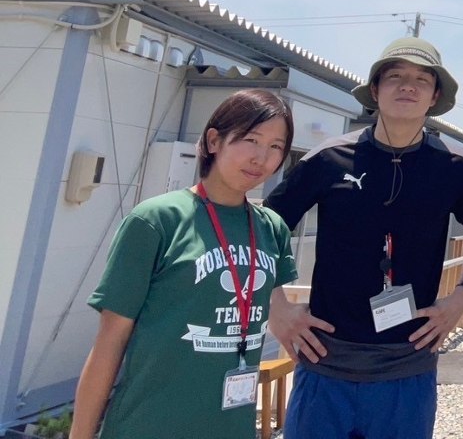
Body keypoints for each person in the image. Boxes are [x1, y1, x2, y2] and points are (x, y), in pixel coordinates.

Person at [265, 37, 463, 439]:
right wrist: (276, 305)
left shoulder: (453, 166)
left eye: (421, 80)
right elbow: (261, 228)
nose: (408, 86)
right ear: (375, 90)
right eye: (395, 76)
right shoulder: (329, 158)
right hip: (325, 362)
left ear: (434, 96)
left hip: (408, 366)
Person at [70, 88, 297, 439]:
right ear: (213, 141)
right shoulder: (156, 220)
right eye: (251, 140)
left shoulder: (272, 228)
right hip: (148, 427)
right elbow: (109, 343)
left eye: (276, 146)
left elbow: (278, 309)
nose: (261, 158)